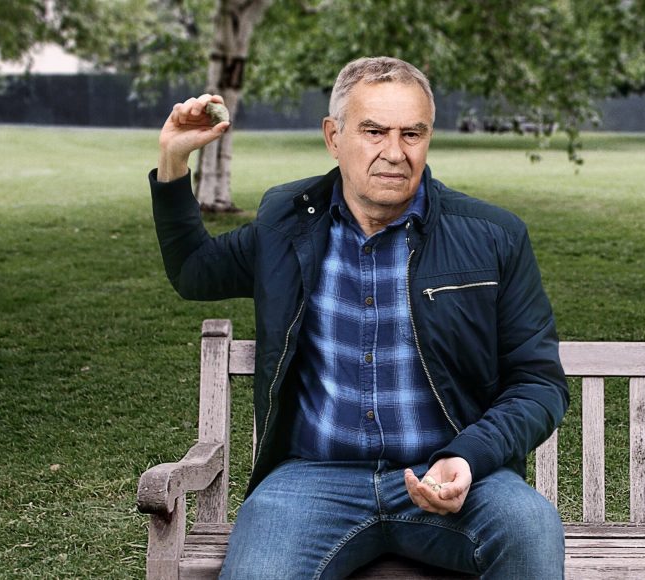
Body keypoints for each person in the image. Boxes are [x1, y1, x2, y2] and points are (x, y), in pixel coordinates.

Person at [148, 56, 569, 579]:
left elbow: (538, 383)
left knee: (530, 527)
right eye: (374, 131)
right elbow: (194, 271)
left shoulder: (493, 237)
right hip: (311, 480)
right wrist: (172, 161)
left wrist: (467, 456)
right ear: (334, 135)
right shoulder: (287, 224)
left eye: (412, 133)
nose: (395, 153)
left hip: (450, 471)